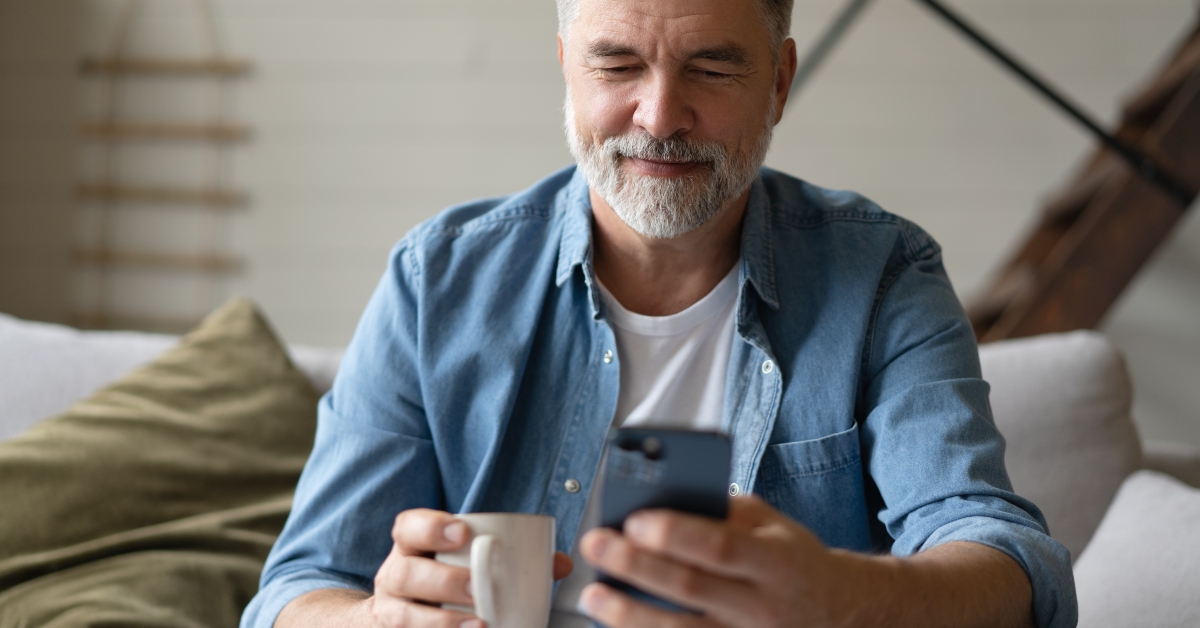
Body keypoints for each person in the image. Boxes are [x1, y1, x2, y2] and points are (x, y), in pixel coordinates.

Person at [242, 0, 1077, 626]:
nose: (661, 116)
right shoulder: (439, 279)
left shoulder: (883, 274)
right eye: (616, 66)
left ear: (779, 81)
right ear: (566, 64)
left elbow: (1008, 555)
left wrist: (840, 598)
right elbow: (297, 586)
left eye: (712, 69)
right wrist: (373, 620)